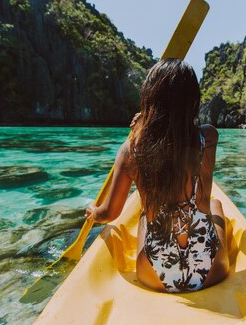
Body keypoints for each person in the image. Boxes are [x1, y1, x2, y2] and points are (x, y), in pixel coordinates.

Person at [85, 59, 230, 293]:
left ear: (149, 99)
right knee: (215, 204)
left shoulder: (131, 149)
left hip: (153, 274)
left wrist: (93, 211)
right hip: (212, 270)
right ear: (193, 101)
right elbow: (184, 133)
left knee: (145, 214)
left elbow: (109, 214)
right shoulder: (208, 137)